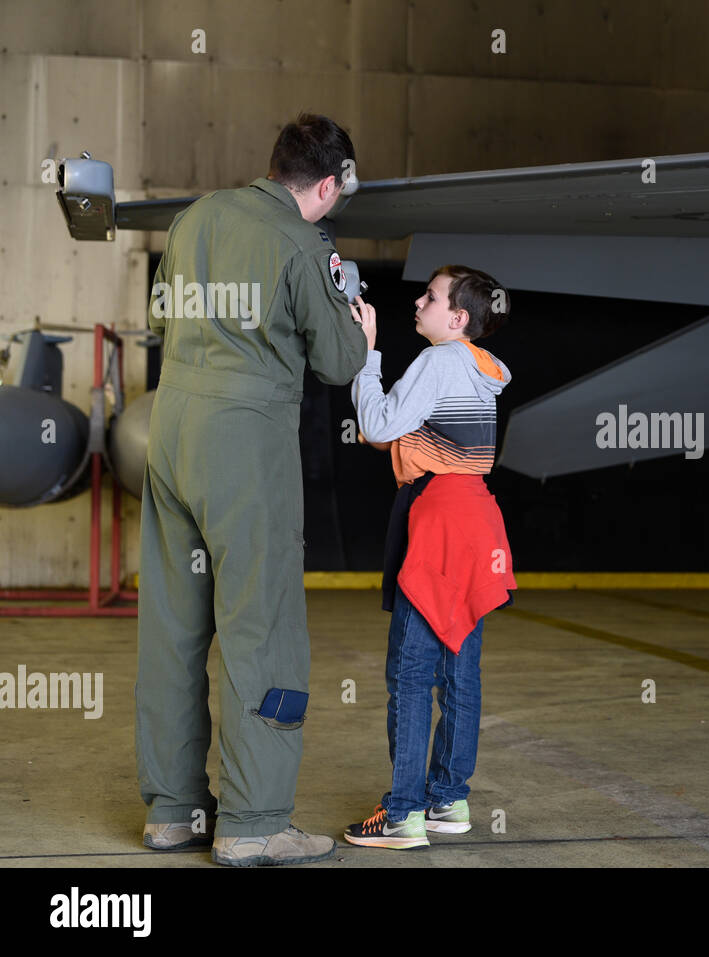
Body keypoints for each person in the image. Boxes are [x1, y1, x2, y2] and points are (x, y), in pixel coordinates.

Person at [136, 114, 367, 866]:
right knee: (259, 625)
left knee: (173, 625)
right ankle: (254, 820)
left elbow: (159, 319)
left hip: (169, 430)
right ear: (326, 185)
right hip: (245, 441)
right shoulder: (304, 243)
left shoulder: (194, 217)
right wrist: (359, 325)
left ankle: (173, 811)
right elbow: (336, 360)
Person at [342, 265, 516, 849]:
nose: (419, 302)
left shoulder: (443, 360)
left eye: (431, 296)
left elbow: (377, 424)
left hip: (440, 518)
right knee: (460, 670)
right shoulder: (482, 370)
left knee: (411, 675)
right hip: (477, 520)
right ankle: (448, 798)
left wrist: (367, 356)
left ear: (458, 317)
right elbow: (398, 432)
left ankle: (403, 814)